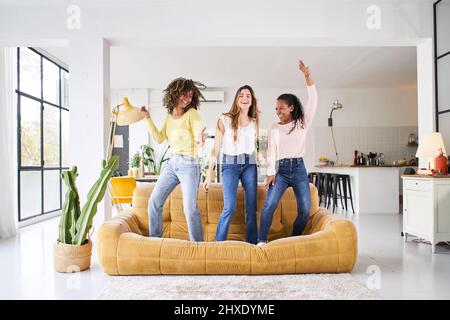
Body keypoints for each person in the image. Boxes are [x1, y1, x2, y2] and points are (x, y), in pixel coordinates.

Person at [257, 60, 318, 246]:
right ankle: (262, 240)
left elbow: (313, 99)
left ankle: (293, 239)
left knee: (305, 210)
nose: (278, 112)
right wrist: (270, 173)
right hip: (281, 170)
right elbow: (271, 152)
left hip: (299, 168)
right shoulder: (274, 127)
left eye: (281, 108)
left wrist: (307, 76)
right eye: (276, 109)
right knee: (269, 205)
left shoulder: (302, 123)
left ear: (291, 107)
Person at [140, 77, 206, 242]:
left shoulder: (192, 113)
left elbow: (198, 133)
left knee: (190, 209)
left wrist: (200, 138)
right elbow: (160, 138)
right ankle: (155, 242)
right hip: (172, 164)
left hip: (190, 164)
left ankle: (199, 247)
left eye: (190, 96)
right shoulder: (169, 116)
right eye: (185, 95)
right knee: (154, 202)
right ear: (175, 93)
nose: (187, 99)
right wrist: (147, 118)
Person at [203, 85, 262, 244]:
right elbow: (215, 149)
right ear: (237, 99)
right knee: (230, 207)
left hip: (249, 163)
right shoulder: (224, 119)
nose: (245, 98)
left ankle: (252, 244)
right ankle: (218, 243)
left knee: (251, 208)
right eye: (241, 95)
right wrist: (209, 175)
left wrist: (261, 157)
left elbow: (251, 147)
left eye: (248, 95)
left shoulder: (254, 122)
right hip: (230, 163)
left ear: (252, 100)